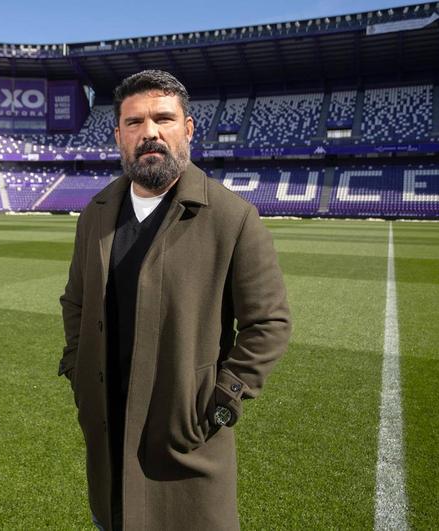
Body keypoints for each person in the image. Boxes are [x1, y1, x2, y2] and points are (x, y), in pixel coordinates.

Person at [59, 70, 291, 531]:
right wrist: (77, 368)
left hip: (185, 444)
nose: (150, 132)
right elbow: (76, 301)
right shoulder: (96, 214)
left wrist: (220, 400)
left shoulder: (232, 218)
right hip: (108, 434)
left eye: (163, 119)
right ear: (119, 135)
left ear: (187, 129)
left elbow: (269, 323)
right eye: (135, 122)